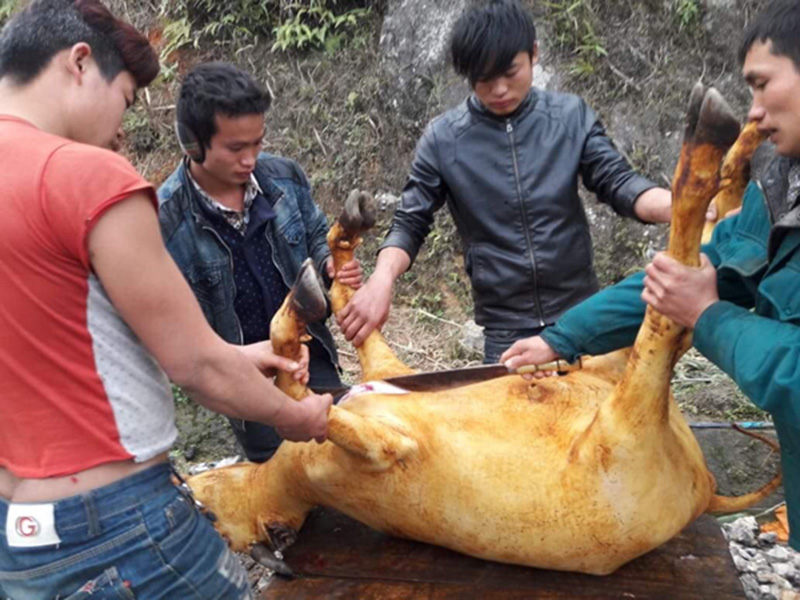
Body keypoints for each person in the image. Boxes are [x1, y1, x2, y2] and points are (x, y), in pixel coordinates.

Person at [0, 2, 331, 598]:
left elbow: (73, 344)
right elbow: (196, 366)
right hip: (119, 523)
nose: (119, 130)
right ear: (80, 63)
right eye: (126, 98)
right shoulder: (84, 174)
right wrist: (298, 417)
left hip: (19, 537)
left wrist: (244, 353)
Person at [501, 0, 800, 551]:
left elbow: (622, 187)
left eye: (762, 85)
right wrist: (560, 338)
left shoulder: (570, 117)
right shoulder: (782, 187)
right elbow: (683, 281)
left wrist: (707, 315)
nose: (754, 113)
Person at [337, 0, 673, 363]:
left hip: (582, 318)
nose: (499, 89)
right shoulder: (443, 139)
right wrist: (381, 280)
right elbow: (410, 222)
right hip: (506, 331)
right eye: (484, 79)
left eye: (510, 72)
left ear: (534, 54)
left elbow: (620, 183)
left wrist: (682, 206)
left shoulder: (569, 117)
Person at [158, 62, 361, 463]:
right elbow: (182, 339)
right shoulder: (165, 223)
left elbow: (318, 236)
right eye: (235, 148)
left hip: (310, 355)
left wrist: (330, 266)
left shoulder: (284, 179)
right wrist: (245, 359)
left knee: (345, 458)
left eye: (257, 143)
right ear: (193, 144)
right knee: (282, 480)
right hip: (245, 375)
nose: (250, 159)